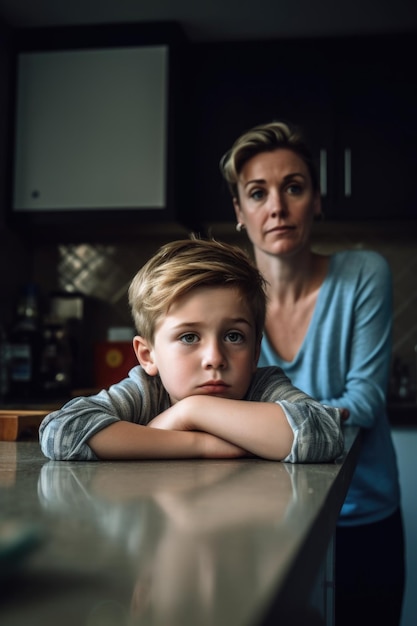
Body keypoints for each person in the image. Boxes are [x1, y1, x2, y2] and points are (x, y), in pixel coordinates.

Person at [219, 121, 405, 626]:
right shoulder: (227, 299)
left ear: (317, 201)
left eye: (294, 188)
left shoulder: (364, 273)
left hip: (360, 516)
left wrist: (254, 423)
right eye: (257, 193)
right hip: (260, 515)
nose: (277, 206)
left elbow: (364, 401)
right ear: (240, 212)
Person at [39, 237, 344, 463]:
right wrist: (199, 443)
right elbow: (61, 432)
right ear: (148, 355)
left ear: (255, 353)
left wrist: (193, 410)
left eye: (234, 336)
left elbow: (324, 434)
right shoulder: (146, 392)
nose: (214, 359)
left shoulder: (263, 388)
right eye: (188, 337)